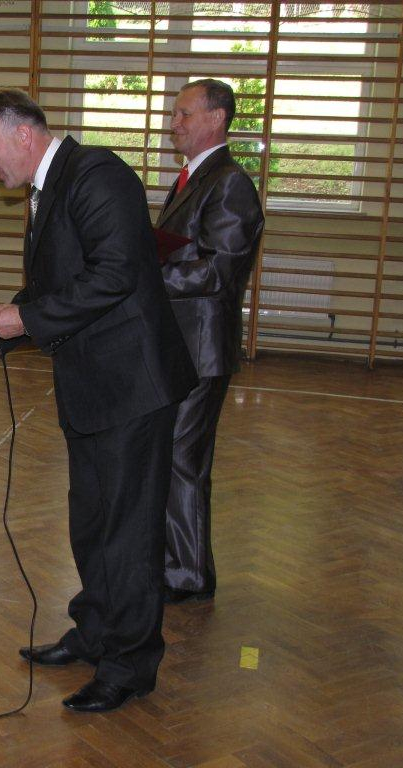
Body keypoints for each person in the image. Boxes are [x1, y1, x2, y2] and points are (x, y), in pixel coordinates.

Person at [0, 88, 197, 711]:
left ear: (23, 134)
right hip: (93, 385)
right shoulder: (48, 189)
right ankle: (95, 632)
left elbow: (116, 273)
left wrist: (25, 320)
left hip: (131, 388)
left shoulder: (97, 174)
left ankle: (130, 666)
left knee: (128, 532)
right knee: (92, 522)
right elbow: (50, 291)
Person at [158, 79, 264, 604]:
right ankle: (176, 562)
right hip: (180, 343)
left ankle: (188, 574)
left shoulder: (230, 183)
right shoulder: (192, 178)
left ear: (217, 118)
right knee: (174, 456)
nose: (174, 123)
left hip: (202, 347)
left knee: (183, 459)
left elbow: (219, 272)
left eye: (184, 114)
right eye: (174, 114)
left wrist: (145, 277)